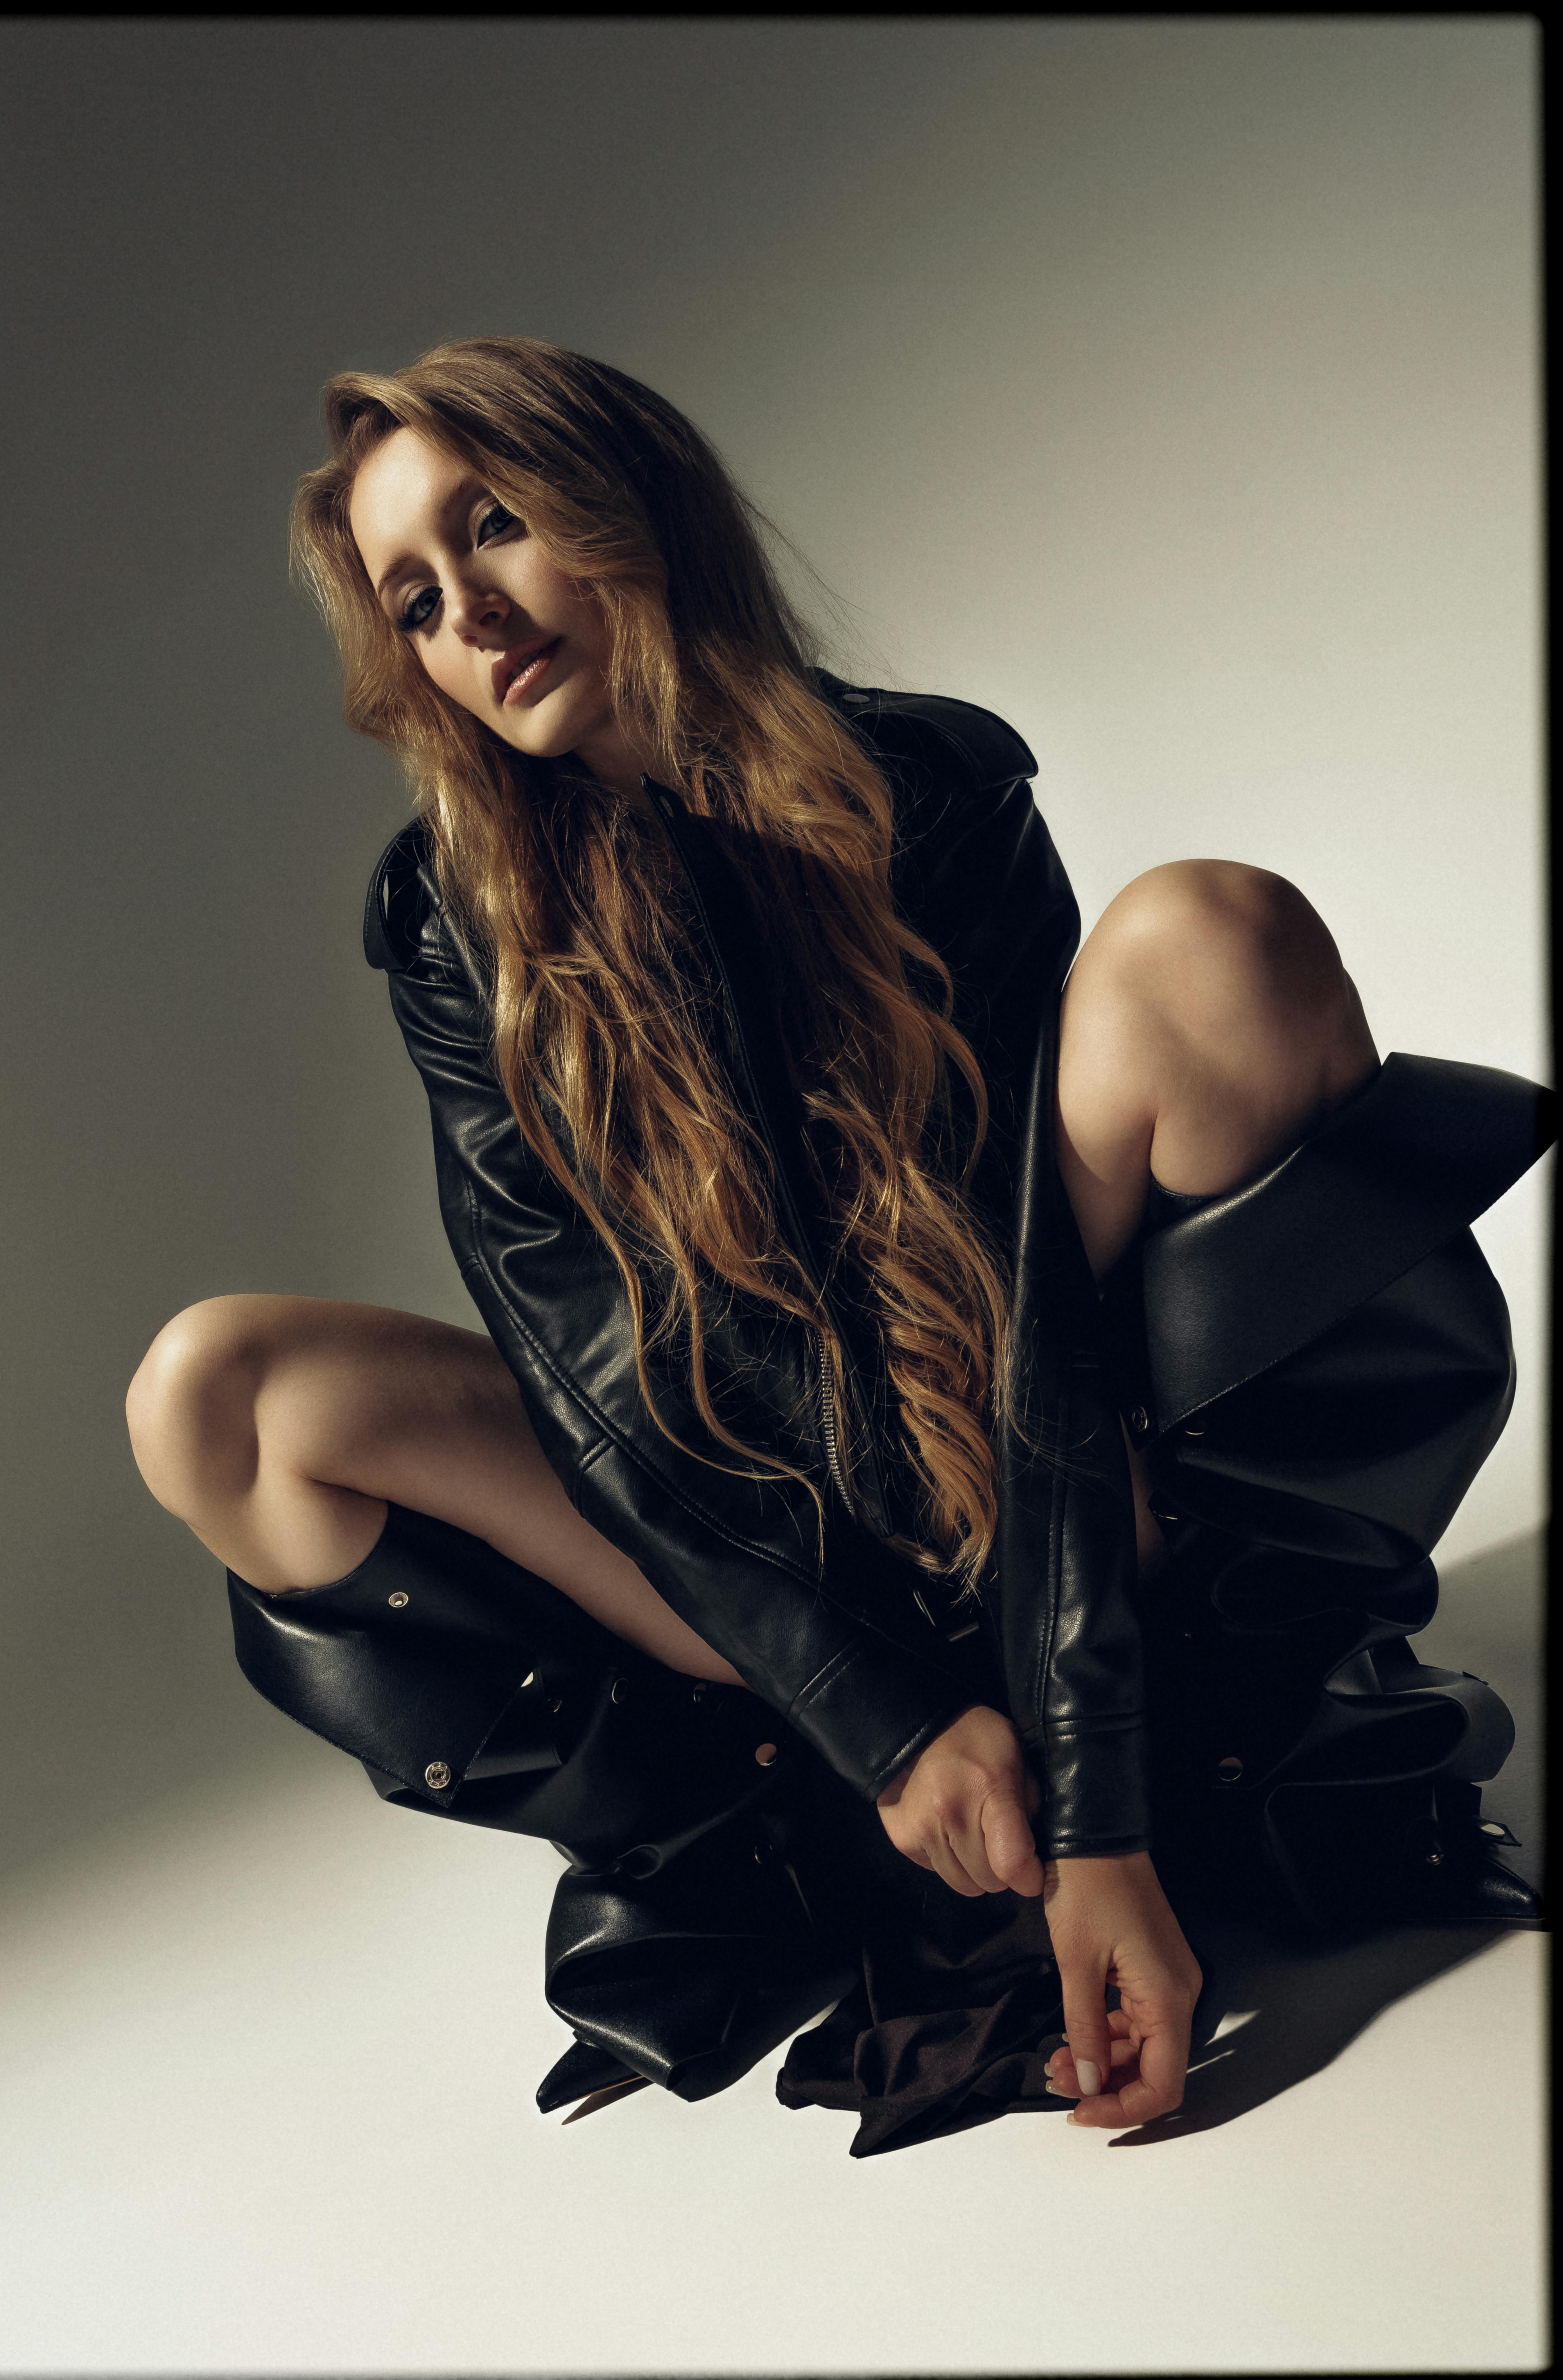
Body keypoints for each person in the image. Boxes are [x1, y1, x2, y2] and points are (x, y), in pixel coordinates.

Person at [126, 337, 1548, 2155]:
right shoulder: (453, 926)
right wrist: (876, 1713)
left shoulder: (928, 791)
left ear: (624, 502)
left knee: (1212, 938)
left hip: (1046, 1464)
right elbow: (586, 1387)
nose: (469, 612)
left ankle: (1205, 1731)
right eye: (413, 598)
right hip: (743, 1554)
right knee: (221, 1394)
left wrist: (1098, 1810)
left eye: (493, 525)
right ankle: (776, 1843)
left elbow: (1047, 1316)